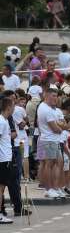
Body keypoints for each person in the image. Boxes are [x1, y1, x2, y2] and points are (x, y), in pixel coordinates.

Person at [0, 96, 14, 224]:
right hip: (3, 159)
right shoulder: (2, 121)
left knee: (2, 187)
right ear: (8, 107)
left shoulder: (4, 120)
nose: (14, 109)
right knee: (0, 188)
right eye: (13, 106)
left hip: (5, 158)